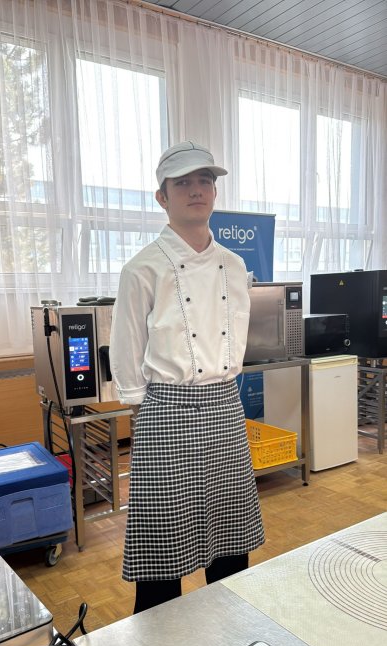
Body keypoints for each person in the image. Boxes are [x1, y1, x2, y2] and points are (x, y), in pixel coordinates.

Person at [110, 140, 264, 613]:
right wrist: (143, 407)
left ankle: (231, 628)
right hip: (166, 410)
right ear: (163, 197)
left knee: (231, 541)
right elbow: (126, 346)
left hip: (224, 406)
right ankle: (157, 642)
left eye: (205, 181)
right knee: (161, 551)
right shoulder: (142, 267)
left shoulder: (234, 265)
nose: (196, 190)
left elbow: (235, 333)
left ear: (214, 192)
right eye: (183, 183)